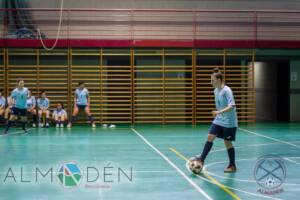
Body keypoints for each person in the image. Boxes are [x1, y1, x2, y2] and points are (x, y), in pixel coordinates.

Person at [191, 68, 238, 173]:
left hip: (229, 122)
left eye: (212, 80)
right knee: (210, 136)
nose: (210, 82)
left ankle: (232, 165)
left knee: (227, 142)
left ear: (219, 80)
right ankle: (201, 160)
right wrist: (219, 114)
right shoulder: (216, 91)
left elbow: (232, 105)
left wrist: (219, 112)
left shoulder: (227, 90)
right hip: (219, 119)